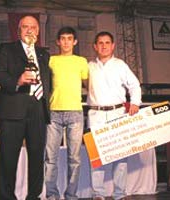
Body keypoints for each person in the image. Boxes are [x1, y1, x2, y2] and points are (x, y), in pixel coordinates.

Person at [0, 15, 51, 200]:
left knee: (36, 159)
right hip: (13, 110)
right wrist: (17, 81)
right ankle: (6, 197)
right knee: (8, 160)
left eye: (33, 27)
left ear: (38, 31)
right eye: (25, 27)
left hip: (38, 111)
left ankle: (34, 196)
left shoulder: (43, 53)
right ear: (19, 30)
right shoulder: (7, 49)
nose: (29, 30)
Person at [87, 31, 141, 200]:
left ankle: (120, 194)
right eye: (100, 43)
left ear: (113, 46)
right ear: (95, 46)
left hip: (118, 113)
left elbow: (134, 85)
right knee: (97, 157)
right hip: (96, 114)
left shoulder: (120, 64)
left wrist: (135, 103)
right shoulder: (89, 66)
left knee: (120, 156)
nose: (104, 46)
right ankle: (98, 194)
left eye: (107, 42)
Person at [45, 26, 88, 200]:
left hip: (75, 113)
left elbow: (90, 86)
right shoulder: (51, 60)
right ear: (58, 41)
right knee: (50, 158)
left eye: (69, 38)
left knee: (75, 159)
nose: (66, 42)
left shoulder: (81, 61)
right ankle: (51, 195)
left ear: (75, 41)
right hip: (54, 112)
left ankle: (71, 195)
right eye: (62, 38)